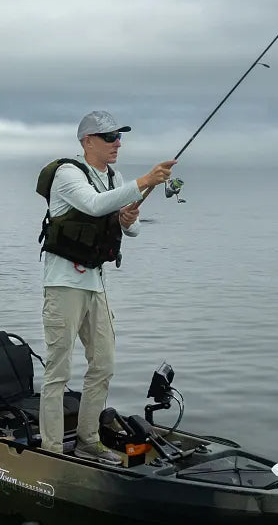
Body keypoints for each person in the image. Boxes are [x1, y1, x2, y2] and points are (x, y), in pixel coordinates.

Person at [38, 110, 176, 462]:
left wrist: (128, 217)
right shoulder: (67, 174)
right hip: (63, 284)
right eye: (109, 137)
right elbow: (95, 204)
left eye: (119, 136)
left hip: (96, 284)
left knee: (103, 364)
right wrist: (146, 180)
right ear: (87, 142)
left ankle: (88, 440)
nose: (118, 143)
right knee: (59, 369)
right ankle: (51, 450)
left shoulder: (115, 177)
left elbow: (132, 229)